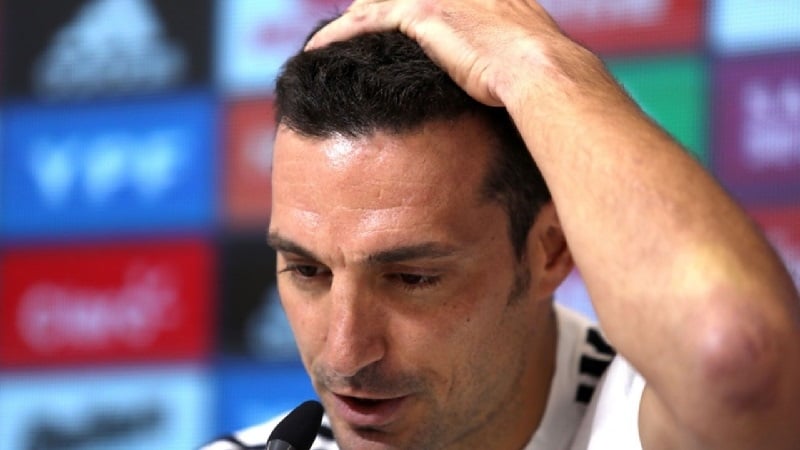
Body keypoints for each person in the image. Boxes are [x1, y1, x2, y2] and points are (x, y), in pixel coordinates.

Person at [203, 1, 800, 449]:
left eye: (411, 278)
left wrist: (538, 63)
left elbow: (737, 359)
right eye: (307, 270)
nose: (344, 353)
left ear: (551, 250)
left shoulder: (634, 422)